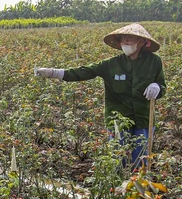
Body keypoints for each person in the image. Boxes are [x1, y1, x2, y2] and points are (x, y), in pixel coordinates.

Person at [35, 22, 165, 169]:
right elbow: (84, 71)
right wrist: (54, 73)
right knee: (117, 158)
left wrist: (157, 87)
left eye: (129, 39)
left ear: (141, 42)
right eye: (122, 40)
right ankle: (117, 188)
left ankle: (138, 188)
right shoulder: (111, 64)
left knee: (141, 159)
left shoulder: (154, 62)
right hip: (118, 119)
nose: (125, 43)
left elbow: (162, 86)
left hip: (144, 117)